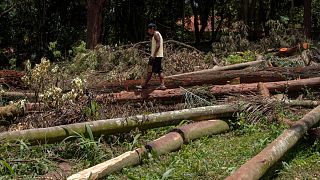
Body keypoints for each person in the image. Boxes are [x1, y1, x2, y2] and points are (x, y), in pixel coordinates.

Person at [137, 23, 166, 90]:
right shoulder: (156, 34)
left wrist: (154, 55)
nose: (148, 31)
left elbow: (158, 45)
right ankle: (162, 85)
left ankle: (144, 85)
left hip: (156, 56)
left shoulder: (156, 34)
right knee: (158, 70)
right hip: (157, 56)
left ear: (152, 29)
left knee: (150, 70)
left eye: (149, 30)